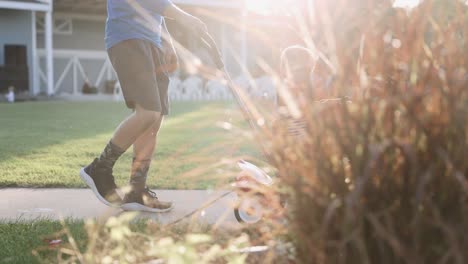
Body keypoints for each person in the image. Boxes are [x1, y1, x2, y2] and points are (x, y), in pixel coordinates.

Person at [80, 0, 208, 213]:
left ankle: (136, 191)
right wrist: (185, 17)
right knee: (148, 113)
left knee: (154, 121)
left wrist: (166, 40)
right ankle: (99, 168)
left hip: (152, 41)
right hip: (129, 37)